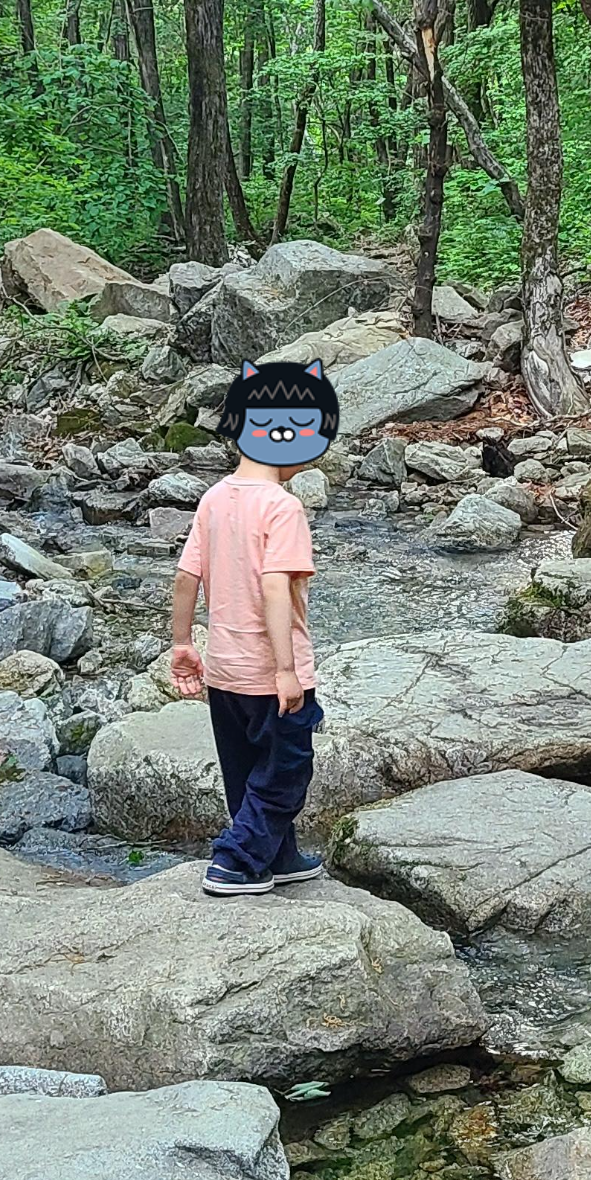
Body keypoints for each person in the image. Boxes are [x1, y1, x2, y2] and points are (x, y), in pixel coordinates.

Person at [169, 357, 340, 896]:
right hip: (272, 675)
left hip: (223, 669)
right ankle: (236, 862)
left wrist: (180, 642)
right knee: (286, 774)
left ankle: (278, 857)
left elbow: (185, 575)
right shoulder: (282, 507)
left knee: (245, 771)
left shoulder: (215, 498)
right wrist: (287, 669)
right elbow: (273, 587)